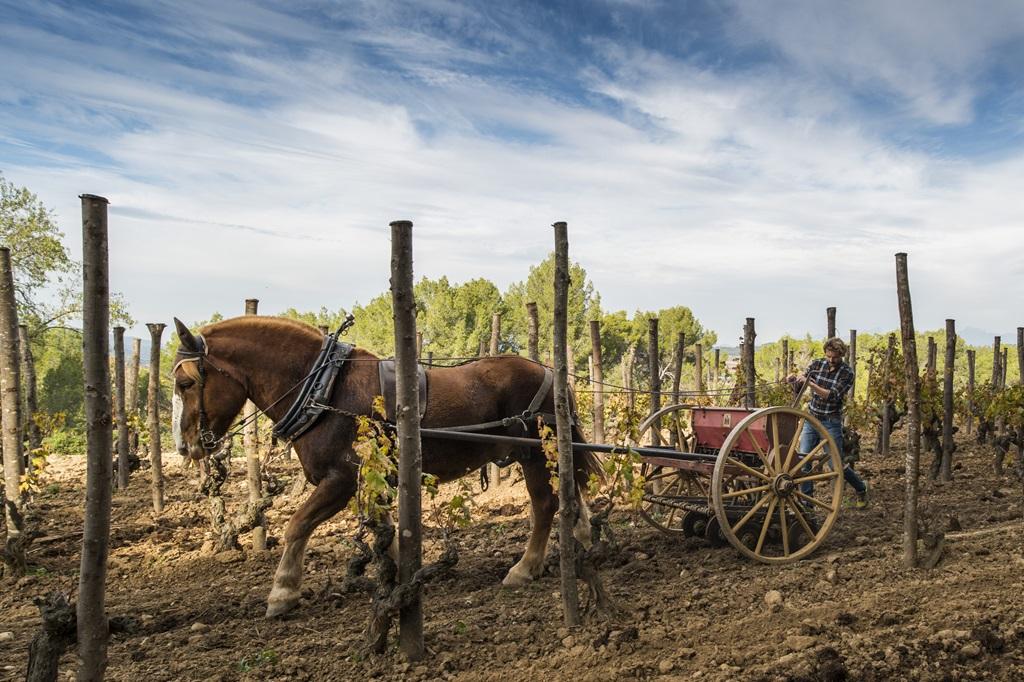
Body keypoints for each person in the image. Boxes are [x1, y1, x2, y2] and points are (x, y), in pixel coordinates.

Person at [786, 337, 869, 508]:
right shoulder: (817, 364)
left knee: (835, 464)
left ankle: (861, 488)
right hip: (812, 418)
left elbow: (830, 395)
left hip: (831, 421)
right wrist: (795, 381)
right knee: (803, 459)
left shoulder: (847, 373)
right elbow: (800, 387)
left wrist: (811, 384)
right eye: (828, 356)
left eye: (835, 357)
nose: (831, 360)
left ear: (842, 355)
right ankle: (807, 503)